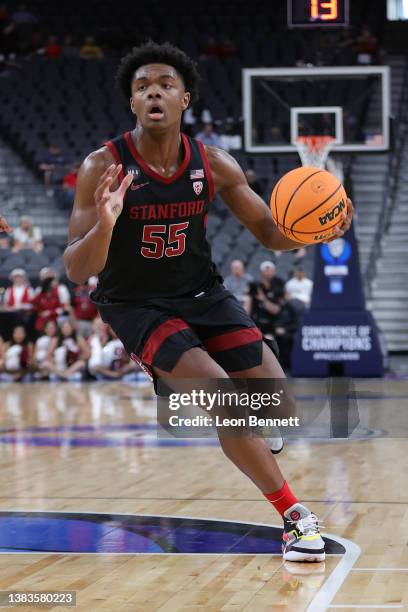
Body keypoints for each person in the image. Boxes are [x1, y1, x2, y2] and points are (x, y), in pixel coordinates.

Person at [64, 41, 353, 562]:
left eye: (165, 85)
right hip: (135, 303)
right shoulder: (101, 167)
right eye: (142, 86)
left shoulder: (214, 164)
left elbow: (271, 232)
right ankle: (294, 517)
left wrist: (317, 230)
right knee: (227, 401)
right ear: (132, 103)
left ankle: (251, 421)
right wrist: (106, 224)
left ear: (185, 99)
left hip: (201, 293)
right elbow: (77, 268)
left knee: (274, 401)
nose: (154, 91)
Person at [247, 261, 284, 337]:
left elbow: (276, 310)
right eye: (266, 271)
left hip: (272, 323)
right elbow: (248, 306)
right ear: (262, 272)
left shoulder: (278, 286)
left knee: (268, 339)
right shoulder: (255, 286)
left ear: (274, 272)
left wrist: (263, 299)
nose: (268, 273)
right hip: (256, 321)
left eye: (270, 271)